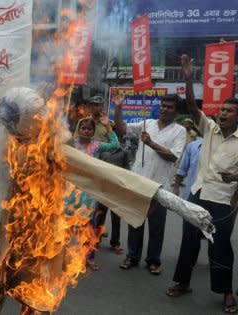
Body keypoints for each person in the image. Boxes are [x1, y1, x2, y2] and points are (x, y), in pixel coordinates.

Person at [167, 55, 238, 314]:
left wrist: (236, 178)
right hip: (197, 194)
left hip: (221, 201)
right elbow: (193, 109)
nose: (222, 114)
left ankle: (227, 292)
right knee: (189, 241)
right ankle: (184, 282)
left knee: (220, 248)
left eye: (229, 111)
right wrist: (188, 77)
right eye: (222, 111)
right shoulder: (209, 128)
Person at [114, 92, 186, 275]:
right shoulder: (147, 124)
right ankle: (132, 256)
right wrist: (119, 107)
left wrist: (151, 143)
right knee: (135, 223)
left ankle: (153, 261)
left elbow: (173, 156)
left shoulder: (180, 131)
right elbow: (122, 129)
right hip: (138, 183)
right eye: (163, 105)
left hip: (160, 187)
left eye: (169, 107)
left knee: (156, 227)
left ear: (176, 111)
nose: (164, 109)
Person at [68, 115, 121, 270]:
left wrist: (108, 128)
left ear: (93, 131)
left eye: (89, 129)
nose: (86, 131)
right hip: (70, 191)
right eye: (83, 128)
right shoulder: (72, 143)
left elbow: (115, 145)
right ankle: (69, 256)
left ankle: (89, 257)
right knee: (69, 225)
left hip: (89, 193)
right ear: (78, 129)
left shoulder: (96, 145)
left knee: (89, 226)